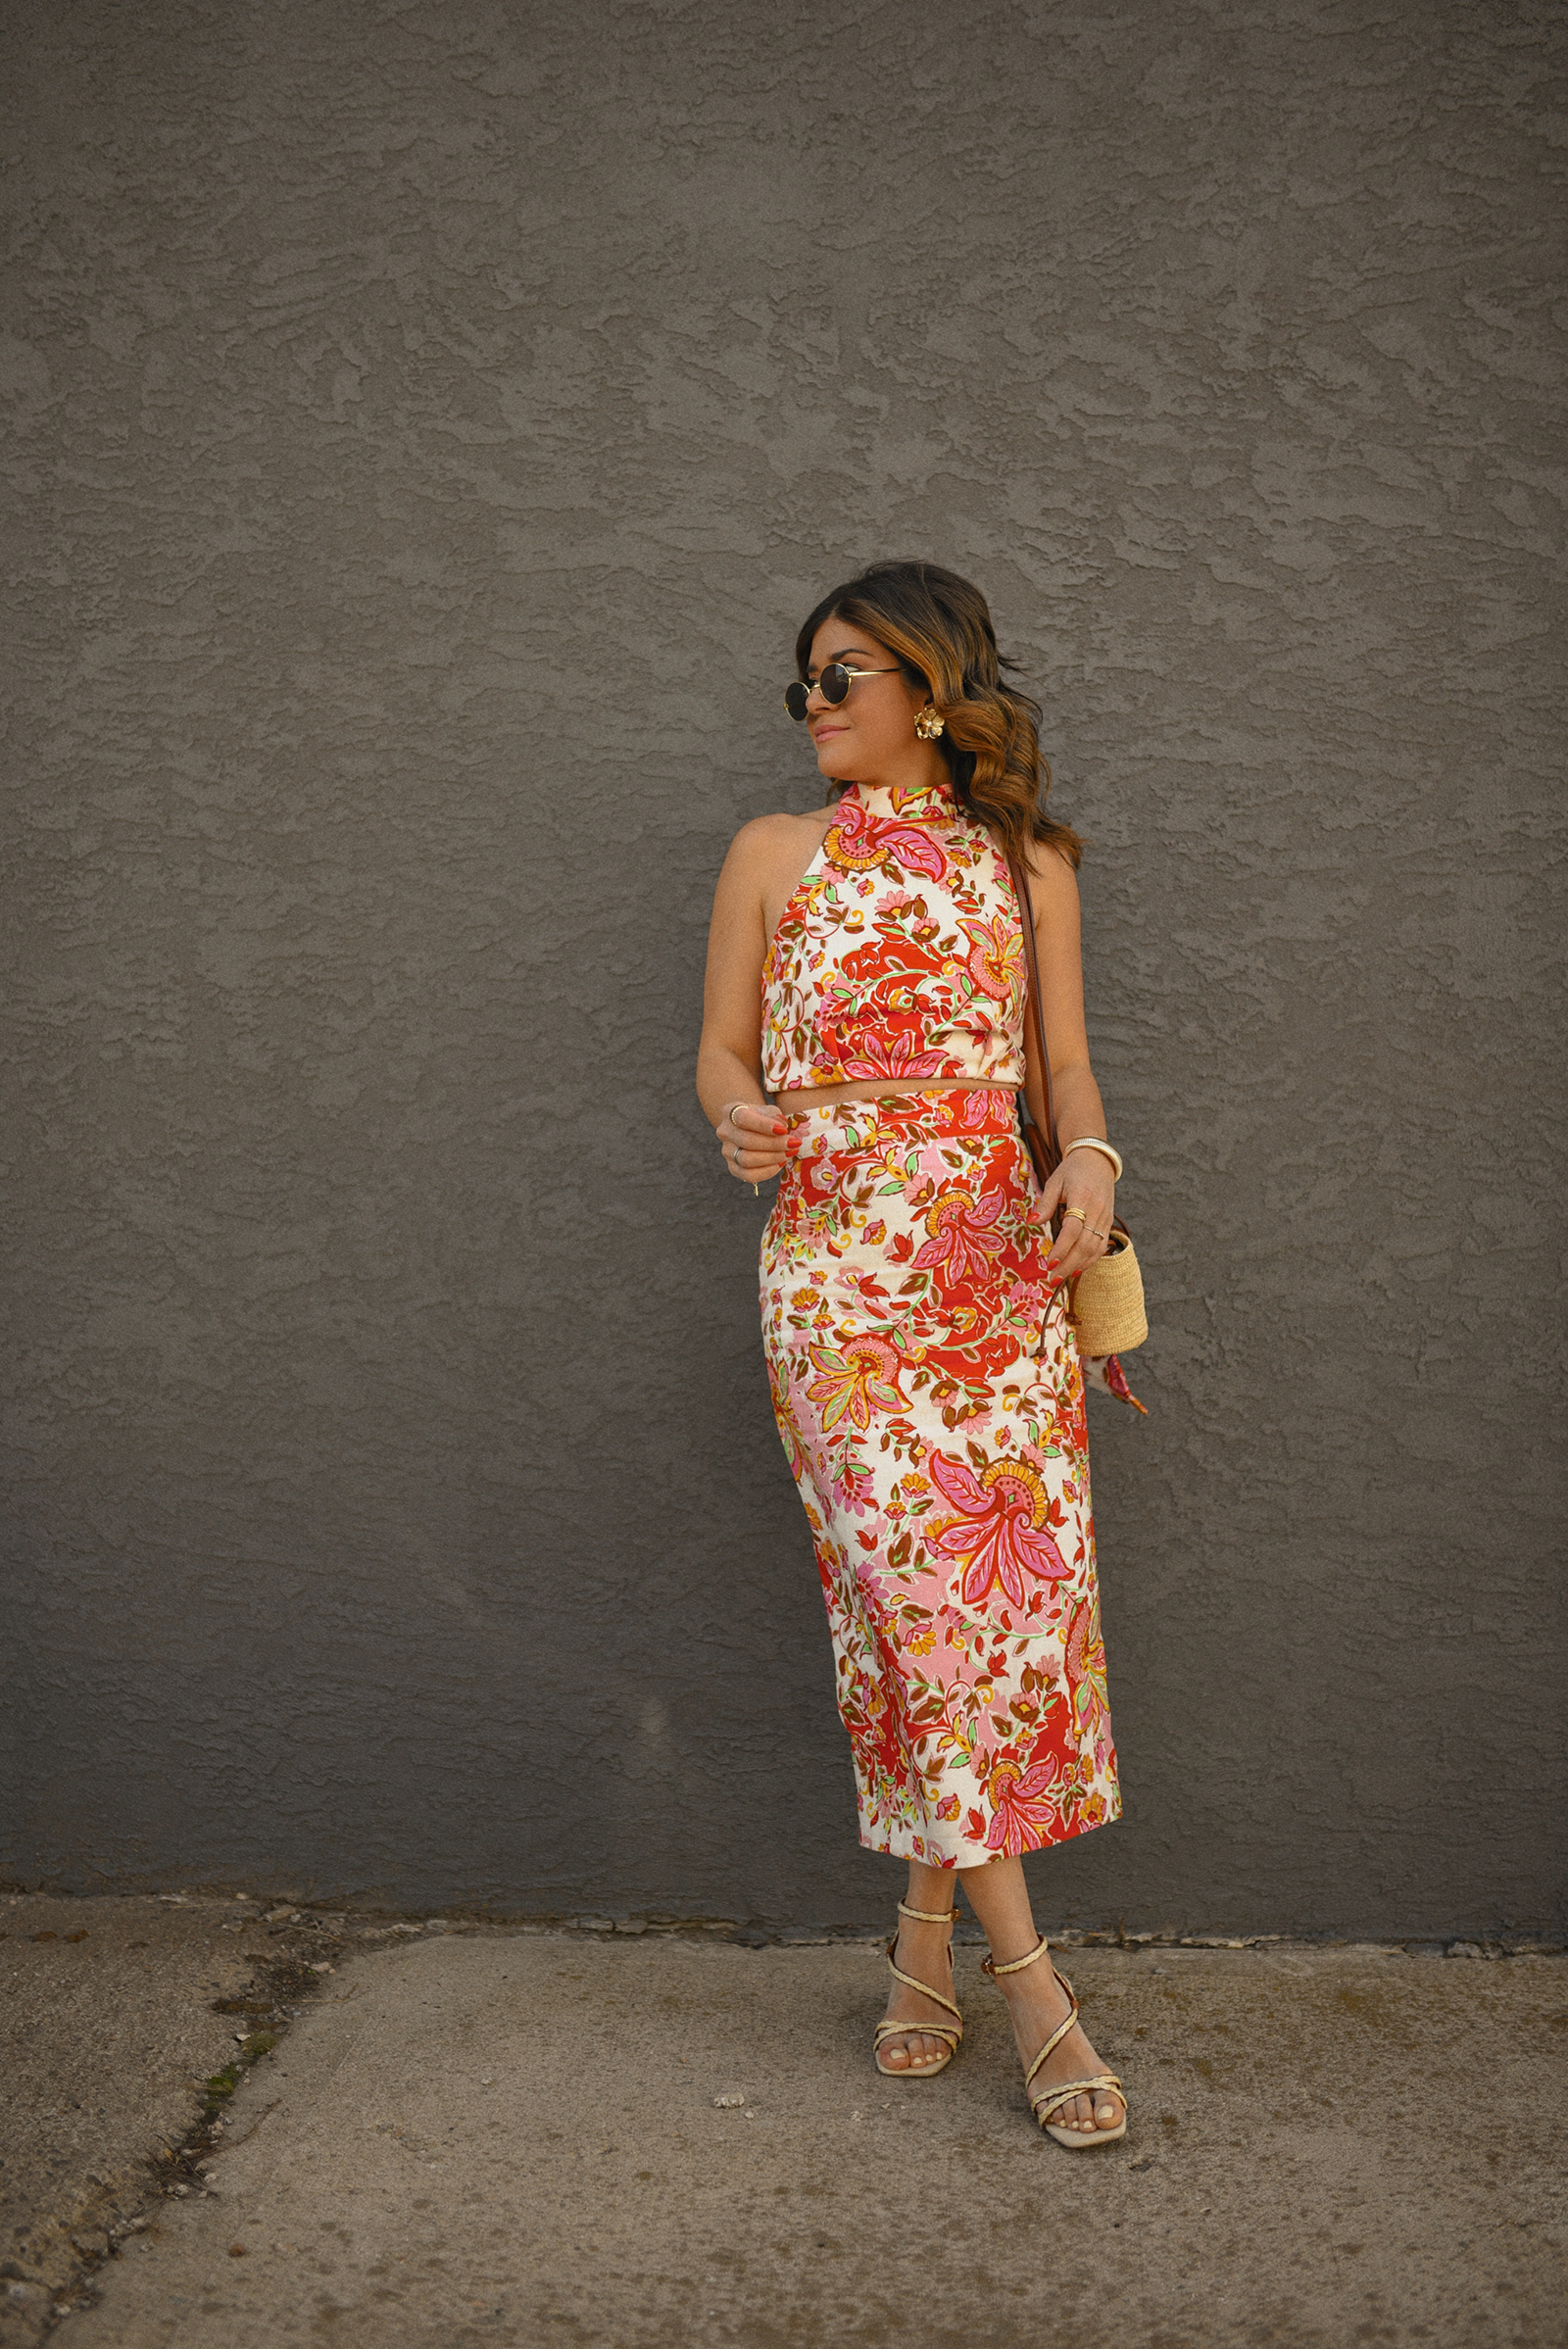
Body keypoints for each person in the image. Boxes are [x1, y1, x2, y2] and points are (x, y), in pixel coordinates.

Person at [696, 562, 1130, 2147]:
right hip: (833, 1276)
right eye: (803, 680)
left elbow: (1065, 1063)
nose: (815, 702)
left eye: (845, 673)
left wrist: (1091, 1161)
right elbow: (723, 1050)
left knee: (972, 1608)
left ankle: (926, 1943)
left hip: (994, 1267)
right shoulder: (770, 853)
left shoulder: (1029, 864)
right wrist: (738, 1118)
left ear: (931, 688)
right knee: (919, 1593)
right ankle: (1037, 1991)